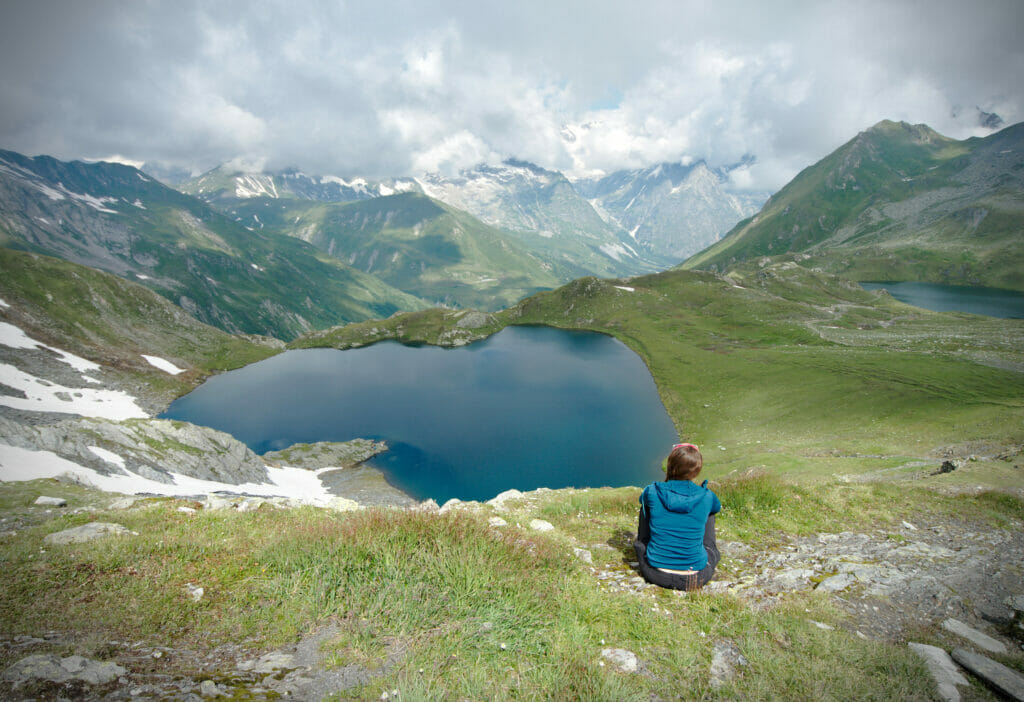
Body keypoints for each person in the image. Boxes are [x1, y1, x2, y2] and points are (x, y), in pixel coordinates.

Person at [633, 442, 721, 591]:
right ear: (697, 470)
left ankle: (647, 545)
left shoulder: (652, 491)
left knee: (646, 506)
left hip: (655, 572)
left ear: (670, 466)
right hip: (696, 576)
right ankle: (696, 551)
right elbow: (716, 508)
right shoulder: (706, 496)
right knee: (709, 512)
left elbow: (642, 500)